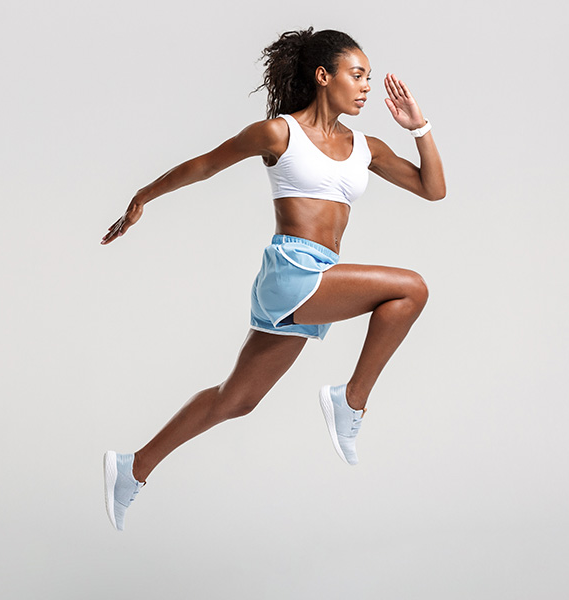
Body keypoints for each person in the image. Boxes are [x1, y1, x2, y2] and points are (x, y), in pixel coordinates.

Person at [101, 27, 446, 531]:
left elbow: (432, 189)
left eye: (369, 77)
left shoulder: (365, 146)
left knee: (235, 400)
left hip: (320, 280)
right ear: (323, 76)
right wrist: (142, 197)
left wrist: (420, 128)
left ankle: (133, 468)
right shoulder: (279, 133)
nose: (366, 86)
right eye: (357, 75)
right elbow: (203, 166)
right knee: (410, 288)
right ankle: (350, 401)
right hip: (293, 271)